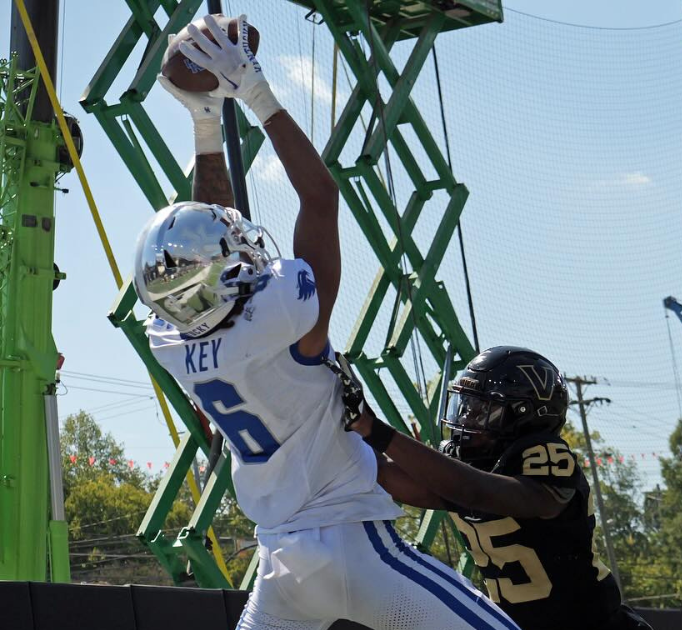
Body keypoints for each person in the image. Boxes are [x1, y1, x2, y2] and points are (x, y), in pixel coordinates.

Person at [137, 14, 518, 630]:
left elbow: (212, 236)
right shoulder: (286, 317)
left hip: (280, 566)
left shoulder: (171, 339)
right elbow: (320, 197)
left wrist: (207, 124)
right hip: (356, 547)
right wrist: (255, 94)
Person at [341, 346, 653, 630]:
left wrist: (374, 428)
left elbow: (477, 493)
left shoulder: (546, 456)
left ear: (522, 414)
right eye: (465, 405)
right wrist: (342, 424)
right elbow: (387, 476)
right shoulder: (469, 465)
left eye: (479, 408)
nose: (465, 417)